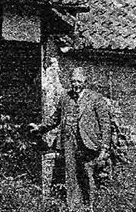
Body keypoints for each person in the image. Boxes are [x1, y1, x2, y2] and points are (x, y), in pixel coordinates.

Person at [31, 67, 111, 210]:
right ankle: (73, 207)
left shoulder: (95, 98)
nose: (76, 84)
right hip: (69, 142)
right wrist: (40, 128)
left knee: (87, 175)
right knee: (71, 176)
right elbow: (55, 119)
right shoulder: (65, 97)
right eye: (73, 81)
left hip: (88, 144)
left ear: (85, 82)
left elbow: (105, 124)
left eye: (79, 81)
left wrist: (105, 146)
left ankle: (90, 206)